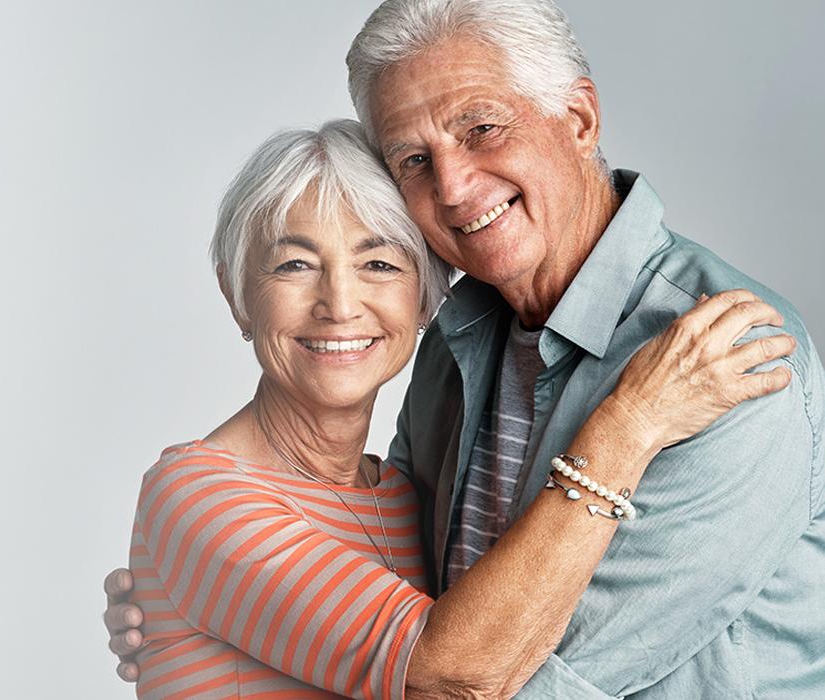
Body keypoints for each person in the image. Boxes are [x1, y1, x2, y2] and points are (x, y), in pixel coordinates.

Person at [107, 1, 825, 697]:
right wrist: (206, 616)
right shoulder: (461, 338)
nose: (452, 187)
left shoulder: (724, 360)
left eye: (481, 127)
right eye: (413, 159)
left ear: (579, 119)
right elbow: (419, 638)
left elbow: (497, 684)